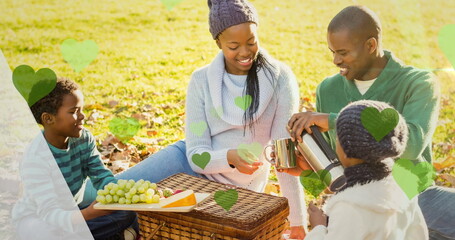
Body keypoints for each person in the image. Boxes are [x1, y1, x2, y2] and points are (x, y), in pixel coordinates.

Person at [80, 0, 308, 238]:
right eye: (233, 45)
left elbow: (285, 155)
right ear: (218, 42)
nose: (244, 52)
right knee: (106, 198)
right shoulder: (201, 80)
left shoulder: (281, 79)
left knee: (133, 216)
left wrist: (297, 220)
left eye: (251, 42)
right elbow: (197, 154)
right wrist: (228, 157)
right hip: (188, 162)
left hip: (232, 190)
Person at [284, 5, 455, 240]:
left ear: (371, 45)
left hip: (415, 198)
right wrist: (309, 170)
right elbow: (341, 170)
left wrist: (334, 120)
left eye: (343, 52)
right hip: (358, 205)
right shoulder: (328, 88)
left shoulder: (418, 83)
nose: (335, 60)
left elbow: (413, 143)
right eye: (332, 51)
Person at [12, 78, 138, 240]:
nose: (82, 116)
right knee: (49, 235)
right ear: (48, 119)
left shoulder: (83, 138)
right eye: (74, 112)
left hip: (74, 210)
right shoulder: (35, 159)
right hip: (38, 218)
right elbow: (50, 214)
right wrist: (90, 213)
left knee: (126, 213)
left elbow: (101, 176)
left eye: (82, 109)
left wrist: (119, 196)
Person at [304, 100, 428, 239]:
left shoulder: (349, 205)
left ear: (346, 149)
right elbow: (419, 234)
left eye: (338, 137)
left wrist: (318, 227)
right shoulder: (403, 188)